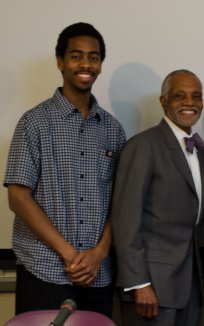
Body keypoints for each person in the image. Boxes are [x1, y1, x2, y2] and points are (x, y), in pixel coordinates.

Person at [3, 22, 125, 317]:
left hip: (98, 276)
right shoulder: (34, 123)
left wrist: (98, 254)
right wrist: (71, 256)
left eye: (93, 57)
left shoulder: (113, 130)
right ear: (60, 61)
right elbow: (18, 198)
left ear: (100, 64)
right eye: (76, 56)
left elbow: (120, 202)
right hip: (44, 272)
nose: (86, 64)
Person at [112, 69, 204, 325]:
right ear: (163, 101)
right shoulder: (143, 146)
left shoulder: (198, 150)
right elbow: (125, 219)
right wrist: (138, 283)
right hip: (151, 288)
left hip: (189, 287)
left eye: (196, 96)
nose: (190, 102)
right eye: (179, 95)